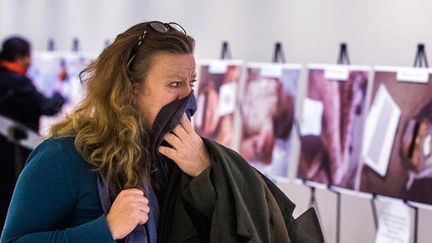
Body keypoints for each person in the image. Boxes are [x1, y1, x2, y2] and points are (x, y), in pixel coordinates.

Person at [1, 22, 323, 242]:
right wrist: (106, 229)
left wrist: (204, 172)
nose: (187, 97)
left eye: (191, 83)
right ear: (128, 89)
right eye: (174, 84)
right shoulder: (65, 156)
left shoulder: (178, 154)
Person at [0, 36, 66, 231]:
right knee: (14, 197)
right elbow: (49, 107)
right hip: (15, 152)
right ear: (21, 58)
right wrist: (59, 84)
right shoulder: (18, 84)